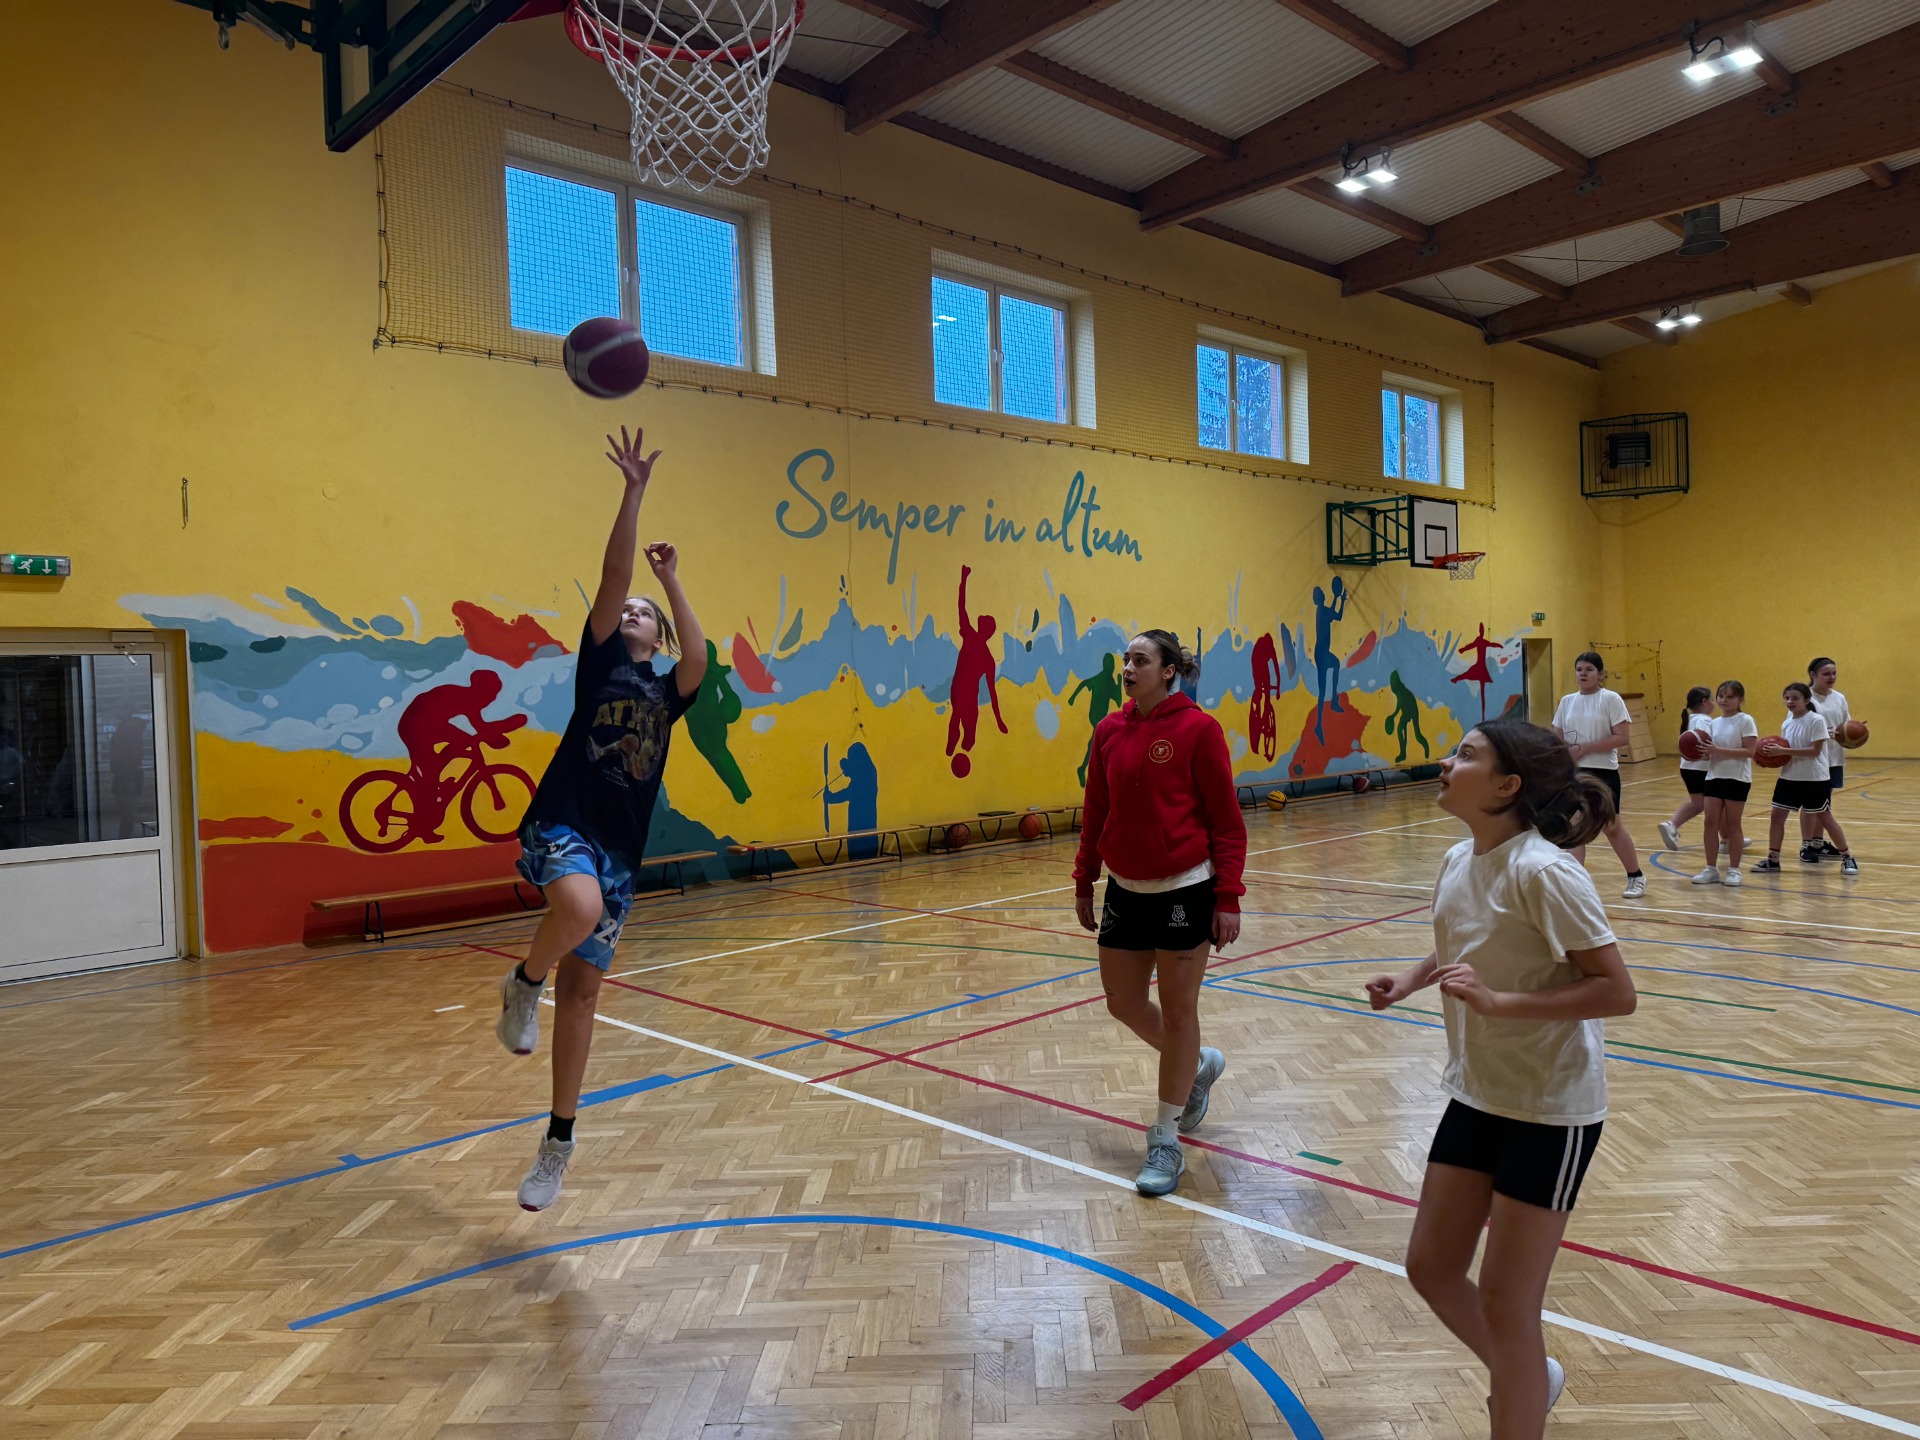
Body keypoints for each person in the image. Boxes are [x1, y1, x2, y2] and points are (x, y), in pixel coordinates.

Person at [1365, 719, 1635, 1438]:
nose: (1446, 763)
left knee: (1508, 1305)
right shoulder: (1460, 858)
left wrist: (1499, 1003)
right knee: (1431, 1267)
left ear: (1508, 785)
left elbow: (1616, 991)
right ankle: (1531, 1376)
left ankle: (1519, 1395)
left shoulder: (1546, 872)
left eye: (1466, 755)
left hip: (1550, 1109)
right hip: (1479, 1092)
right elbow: (1462, 938)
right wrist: (1411, 979)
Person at [494, 426, 707, 1213]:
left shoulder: (667, 693)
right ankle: (523, 983)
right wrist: (632, 493)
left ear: (660, 634)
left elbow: (699, 658)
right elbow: (615, 576)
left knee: (583, 998)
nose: (634, 612)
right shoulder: (602, 662)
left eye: (646, 614)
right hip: (565, 821)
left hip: (621, 852)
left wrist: (673, 580)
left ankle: (557, 1143)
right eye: (629, 610)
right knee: (576, 910)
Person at [1073, 629, 1246, 1198]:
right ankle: (1197, 1068)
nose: (1128, 668)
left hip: (1185, 889)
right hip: (1124, 889)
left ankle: (1166, 1138)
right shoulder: (1109, 730)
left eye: (1140, 660)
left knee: (1178, 1012)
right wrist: (1085, 878)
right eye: (1126, 659)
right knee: (1122, 1002)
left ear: (1168, 670)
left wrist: (1228, 896)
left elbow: (1226, 820)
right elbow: (1096, 809)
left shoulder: (1199, 730)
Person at [1549, 652, 1645, 899]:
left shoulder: (1611, 699)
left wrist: (1586, 748)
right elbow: (1557, 736)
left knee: (1611, 827)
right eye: (1579, 669)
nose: (1583, 673)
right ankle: (1575, 882)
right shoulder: (1567, 701)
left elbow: (1622, 738)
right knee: (1574, 826)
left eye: (1589, 669)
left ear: (1600, 674)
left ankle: (1636, 876)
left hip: (1604, 772)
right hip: (1575, 772)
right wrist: (1565, 753)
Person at [1752, 683, 1851, 874]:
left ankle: (1847, 858)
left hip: (1815, 778)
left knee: (1826, 819)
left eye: (1795, 698)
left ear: (1806, 700)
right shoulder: (1787, 723)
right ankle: (1773, 860)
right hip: (1790, 777)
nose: (1790, 701)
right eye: (1787, 698)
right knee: (1776, 816)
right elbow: (1785, 753)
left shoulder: (1816, 720)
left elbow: (1814, 751)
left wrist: (1782, 751)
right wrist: (1767, 758)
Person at [1694, 681, 1758, 886]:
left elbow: (1750, 751)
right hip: (1714, 776)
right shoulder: (1713, 723)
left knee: (1733, 824)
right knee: (1709, 822)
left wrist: (1717, 751)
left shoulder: (1745, 720)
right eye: (1721, 696)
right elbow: (1711, 751)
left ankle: (1734, 870)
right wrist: (1701, 753)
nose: (1724, 700)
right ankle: (1710, 868)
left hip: (1737, 778)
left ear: (1740, 699)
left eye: (1730, 697)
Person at [1804, 657, 1857, 872]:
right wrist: (1826, 733)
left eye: (1834, 673)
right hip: (1814, 757)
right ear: (1813, 675)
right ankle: (1806, 845)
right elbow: (1800, 727)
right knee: (1811, 803)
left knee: (1824, 802)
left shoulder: (1839, 698)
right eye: (1826, 674)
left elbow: (1846, 724)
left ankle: (1818, 843)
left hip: (1834, 757)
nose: (1832, 677)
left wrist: (1854, 734)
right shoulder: (1805, 698)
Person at [1657, 686, 1714, 852]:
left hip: (1687, 768)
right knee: (1718, 803)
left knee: (1698, 803)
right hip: (1702, 768)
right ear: (1704, 702)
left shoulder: (1690, 718)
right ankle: (1728, 839)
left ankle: (1672, 825)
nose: (1714, 703)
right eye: (1712, 699)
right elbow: (1704, 745)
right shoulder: (1704, 721)